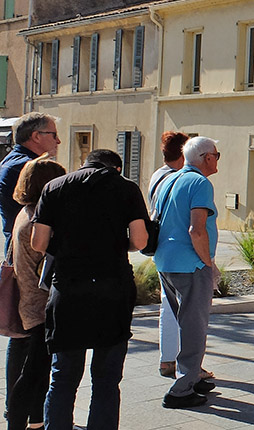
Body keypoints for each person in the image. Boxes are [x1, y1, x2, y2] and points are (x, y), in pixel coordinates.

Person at [32, 149, 149, 429]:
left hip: (69, 288)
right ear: (116, 168)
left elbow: (38, 242)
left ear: (84, 163)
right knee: (107, 380)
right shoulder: (127, 189)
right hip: (113, 289)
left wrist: (66, 248)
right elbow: (141, 240)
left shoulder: (54, 187)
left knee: (63, 377)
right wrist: (120, 245)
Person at [154, 136, 222, 409]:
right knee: (195, 326)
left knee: (185, 323)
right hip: (190, 264)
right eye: (217, 154)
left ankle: (190, 376)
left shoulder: (169, 179)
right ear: (207, 157)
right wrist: (208, 263)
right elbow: (197, 229)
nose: (217, 159)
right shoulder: (200, 183)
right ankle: (182, 389)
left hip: (166, 260)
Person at [5, 156, 65, 430]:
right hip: (39, 305)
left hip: (28, 300)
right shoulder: (38, 221)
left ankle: (32, 422)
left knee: (31, 371)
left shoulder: (25, 212)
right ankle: (26, 423)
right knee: (35, 375)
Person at [148, 131, 188, 378]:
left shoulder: (157, 175)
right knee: (185, 309)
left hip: (161, 247)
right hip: (177, 248)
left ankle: (167, 359)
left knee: (168, 304)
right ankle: (185, 361)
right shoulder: (178, 179)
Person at [2, 112, 59, 250]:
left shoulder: (10, 161)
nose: (58, 141)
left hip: (18, 243)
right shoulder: (31, 168)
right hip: (31, 248)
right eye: (54, 135)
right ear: (36, 136)